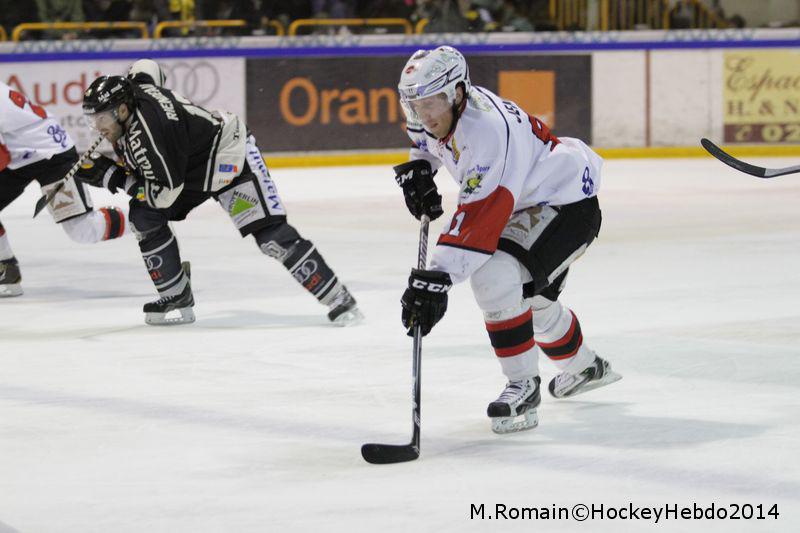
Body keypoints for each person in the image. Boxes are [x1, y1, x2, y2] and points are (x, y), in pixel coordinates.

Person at [393, 46, 620, 434]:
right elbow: (424, 139)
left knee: (494, 275)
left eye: (430, 104)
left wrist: (437, 280)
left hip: (565, 204)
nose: (423, 115)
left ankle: (523, 385)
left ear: (457, 93)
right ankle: (585, 367)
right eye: (414, 106)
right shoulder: (441, 111)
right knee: (529, 303)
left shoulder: (487, 133)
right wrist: (420, 168)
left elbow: (478, 220)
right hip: (529, 199)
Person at [75, 60, 361, 326]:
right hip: (191, 172)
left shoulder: (149, 133)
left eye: (102, 119)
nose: (98, 127)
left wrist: (113, 177)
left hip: (229, 164)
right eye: (93, 119)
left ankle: (338, 298)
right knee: (144, 216)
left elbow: (165, 194)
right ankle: (175, 294)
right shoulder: (135, 90)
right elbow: (147, 67)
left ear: (123, 110)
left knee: (271, 237)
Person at [0, 81, 127, 297]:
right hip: (18, 156)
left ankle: (144, 217)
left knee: (83, 230)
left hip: (51, 153)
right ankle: (6, 271)